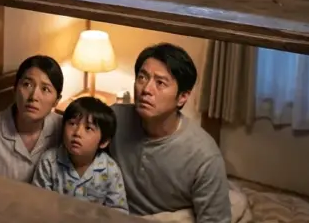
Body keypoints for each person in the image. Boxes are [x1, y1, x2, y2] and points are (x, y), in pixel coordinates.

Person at [109, 43, 231, 223]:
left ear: (182, 97)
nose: (146, 89)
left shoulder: (203, 155)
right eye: (142, 77)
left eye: (160, 83)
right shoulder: (114, 119)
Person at [0, 54, 64, 182]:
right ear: (15, 89)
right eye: (27, 84)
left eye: (45, 89)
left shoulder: (63, 128)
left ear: (56, 101)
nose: (34, 96)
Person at [31, 96, 128, 213]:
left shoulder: (110, 170)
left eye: (88, 128)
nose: (77, 133)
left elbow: (119, 211)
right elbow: (38, 202)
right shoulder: (49, 162)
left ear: (104, 142)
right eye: (72, 124)